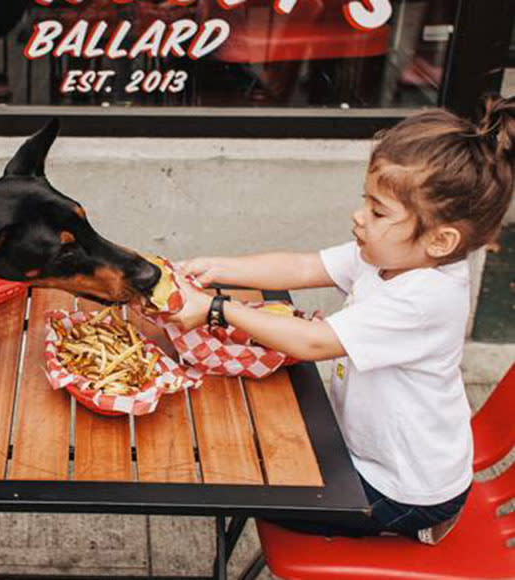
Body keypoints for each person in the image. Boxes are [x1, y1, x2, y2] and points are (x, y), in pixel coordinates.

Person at [165, 95, 514, 542]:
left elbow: (312, 343)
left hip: (401, 490)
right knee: (243, 448)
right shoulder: (394, 256)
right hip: (364, 451)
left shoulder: (426, 296)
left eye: (378, 210)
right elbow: (305, 267)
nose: (358, 216)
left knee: (240, 482)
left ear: (441, 240)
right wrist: (216, 267)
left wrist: (217, 308)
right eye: (364, 201)